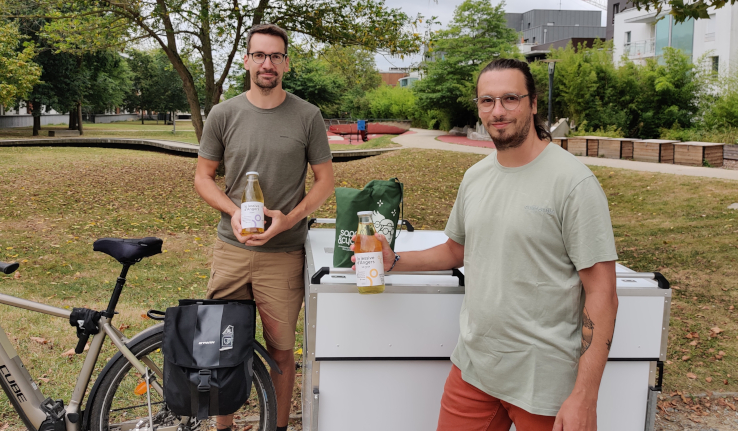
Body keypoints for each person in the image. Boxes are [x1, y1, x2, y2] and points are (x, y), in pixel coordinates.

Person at [352, 58, 618, 431]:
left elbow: (603, 292)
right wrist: (393, 259)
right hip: (475, 368)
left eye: (510, 98)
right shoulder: (476, 177)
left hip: (542, 380)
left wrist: (585, 397)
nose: (498, 111)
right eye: (487, 101)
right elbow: (456, 251)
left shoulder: (573, 183)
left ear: (534, 103)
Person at [194, 24, 334, 431]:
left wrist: (289, 219)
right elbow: (203, 177)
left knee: (281, 351)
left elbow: (325, 182)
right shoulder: (224, 114)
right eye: (259, 55)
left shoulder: (308, 115)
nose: (267, 63)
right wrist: (232, 212)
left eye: (275, 56)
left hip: (284, 253)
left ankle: (275, 426)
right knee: (222, 348)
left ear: (286, 63)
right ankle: (225, 427)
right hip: (232, 250)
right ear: (247, 60)